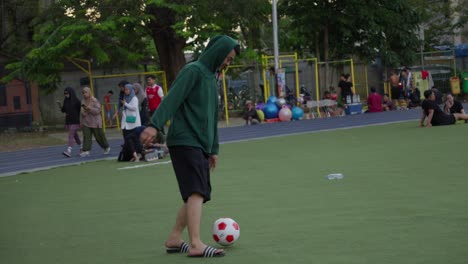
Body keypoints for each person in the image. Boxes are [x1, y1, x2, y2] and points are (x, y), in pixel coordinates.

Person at [140, 35, 240, 258]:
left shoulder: (212, 78)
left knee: (198, 193)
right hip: (184, 140)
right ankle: (195, 243)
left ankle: (175, 238)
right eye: (227, 57)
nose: (227, 63)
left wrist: (213, 149)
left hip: (199, 144)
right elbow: (172, 98)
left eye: (231, 60)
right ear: (217, 51)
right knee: (196, 191)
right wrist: (154, 125)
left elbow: (212, 116)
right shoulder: (193, 70)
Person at [79, 87, 111, 157]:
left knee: (99, 136)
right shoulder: (83, 101)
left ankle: (106, 147)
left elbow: (98, 111)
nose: (84, 94)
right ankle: (86, 150)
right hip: (86, 122)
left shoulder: (94, 100)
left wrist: (89, 109)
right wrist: (81, 122)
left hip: (95, 121)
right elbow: (81, 112)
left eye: (86, 92)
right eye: (83, 93)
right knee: (86, 136)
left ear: (89, 92)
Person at [58, 87, 82, 157]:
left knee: (71, 134)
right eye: (64, 93)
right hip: (69, 120)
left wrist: (81, 120)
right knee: (75, 135)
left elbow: (81, 110)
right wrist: (59, 105)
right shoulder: (66, 100)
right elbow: (63, 110)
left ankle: (69, 150)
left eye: (67, 93)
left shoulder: (77, 101)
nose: (66, 95)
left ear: (71, 93)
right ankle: (81, 148)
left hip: (75, 120)